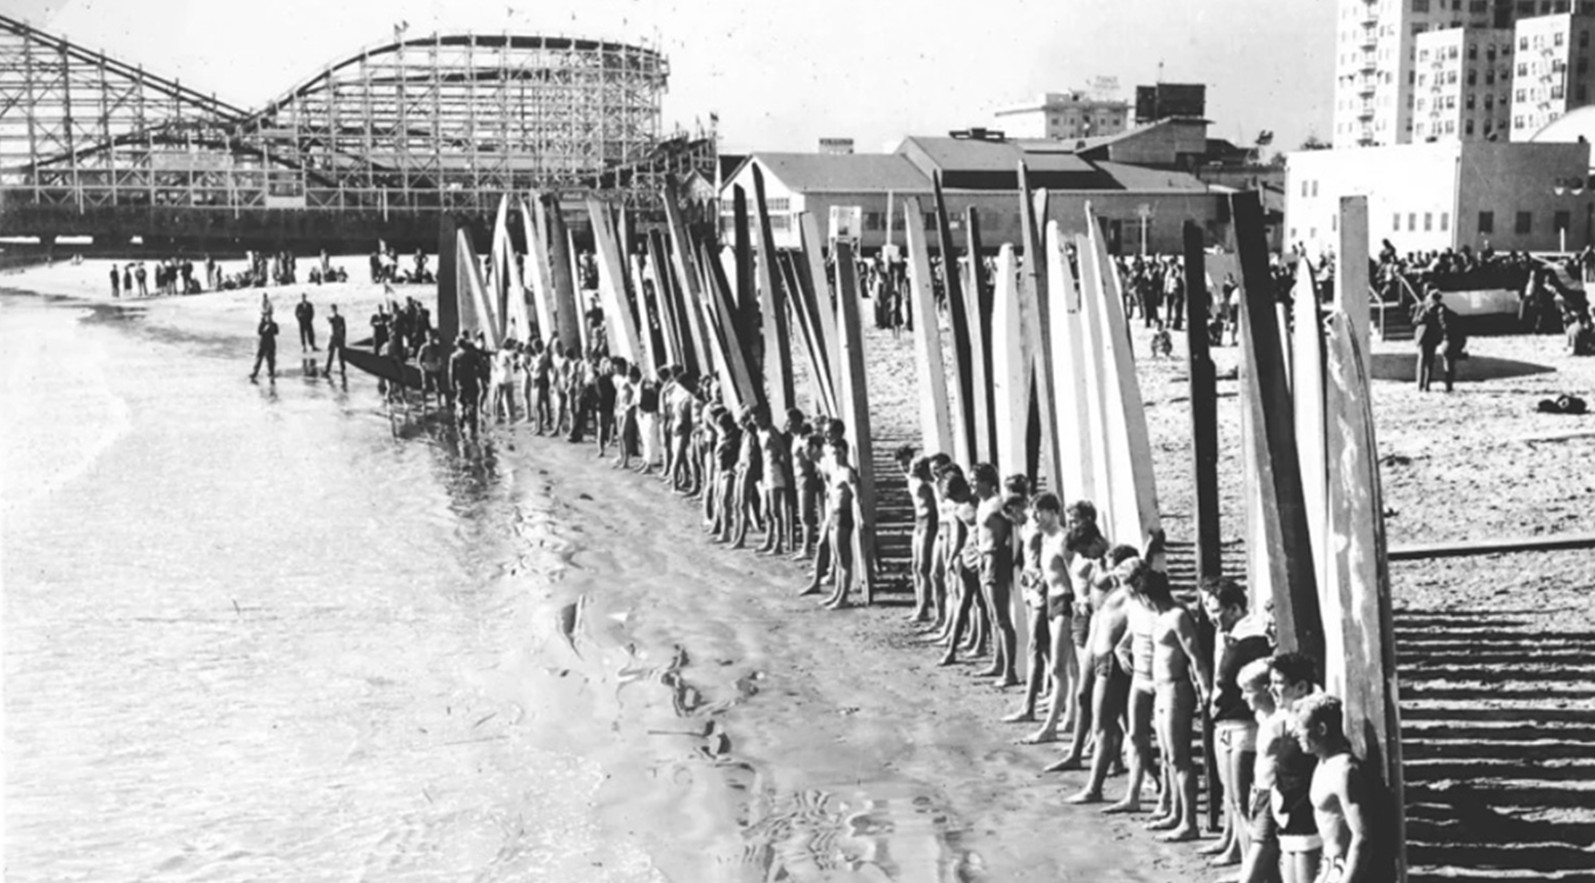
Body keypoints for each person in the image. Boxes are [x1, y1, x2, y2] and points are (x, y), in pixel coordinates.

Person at [1201, 577, 1275, 868]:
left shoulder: (1251, 640)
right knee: (1231, 795)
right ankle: (1235, 847)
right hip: (1226, 721)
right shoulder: (1229, 633)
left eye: (1216, 610)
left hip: (1242, 725)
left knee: (1242, 801)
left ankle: (1249, 865)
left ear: (1234, 608)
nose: (1211, 617)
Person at [1296, 693, 1389, 883]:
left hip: (1345, 871)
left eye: (1302, 729)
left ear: (1321, 729)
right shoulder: (1322, 762)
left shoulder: (1344, 771)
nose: (1296, 735)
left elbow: (1362, 837)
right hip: (1328, 866)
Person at [1268, 652, 1325, 883]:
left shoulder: (1311, 723)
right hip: (1288, 817)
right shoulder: (1287, 718)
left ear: (1301, 687)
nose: (1271, 690)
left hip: (1305, 819)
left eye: (1279, 683)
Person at [819, 436, 861, 610]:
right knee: (836, 558)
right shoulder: (834, 471)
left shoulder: (847, 472)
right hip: (834, 514)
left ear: (844, 453)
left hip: (844, 515)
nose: (836, 456)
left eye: (838, 453)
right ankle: (836, 593)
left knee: (844, 559)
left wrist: (860, 518)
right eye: (833, 453)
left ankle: (843, 597)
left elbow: (857, 496)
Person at [902, 449, 939, 623]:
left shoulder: (928, 485)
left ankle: (924, 607)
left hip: (929, 521)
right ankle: (919, 605)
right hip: (919, 521)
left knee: (924, 567)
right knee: (916, 566)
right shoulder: (912, 481)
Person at [449, 335, 482, 439]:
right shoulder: (473, 355)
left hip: (461, 383)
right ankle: (473, 427)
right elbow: (480, 367)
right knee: (473, 404)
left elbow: (452, 372)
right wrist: (482, 378)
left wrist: (452, 384)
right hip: (472, 382)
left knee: (461, 403)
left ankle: (461, 424)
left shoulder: (454, 356)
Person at [248, 307, 280, 383]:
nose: (268, 317)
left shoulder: (274, 324)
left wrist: (271, 327)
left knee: (271, 361)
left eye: (269, 316)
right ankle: (255, 373)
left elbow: (276, 332)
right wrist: (265, 329)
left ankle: (271, 373)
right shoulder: (262, 324)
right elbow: (259, 332)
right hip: (263, 344)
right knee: (259, 359)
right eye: (267, 316)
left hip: (271, 345)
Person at [323, 304, 347, 378]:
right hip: (338, 337)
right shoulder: (340, 318)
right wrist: (343, 337)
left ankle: (328, 369)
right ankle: (342, 368)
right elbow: (344, 329)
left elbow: (331, 323)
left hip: (334, 338)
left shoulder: (332, 318)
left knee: (332, 354)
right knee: (339, 354)